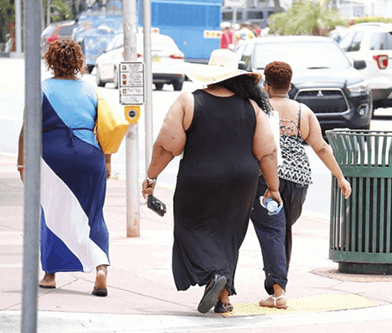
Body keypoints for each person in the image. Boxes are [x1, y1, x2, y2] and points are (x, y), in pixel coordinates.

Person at [141, 49, 282, 314]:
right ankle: (223, 295)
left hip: (199, 178)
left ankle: (212, 275)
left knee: (189, 227)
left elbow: (166, 146)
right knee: (228, 233)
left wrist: (151, 176)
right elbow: (268, 151)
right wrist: (273, 188)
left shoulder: (190, 102)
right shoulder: (252, 107)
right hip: (242, 181)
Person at [251, 61, 352, 309]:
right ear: (289, 84)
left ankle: (278, 291)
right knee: (282, 230)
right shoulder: (302, 112)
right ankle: (278, 287)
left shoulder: (257, 109)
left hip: (267, 178)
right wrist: (340, 176)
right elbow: (321, 147)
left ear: (267, 84)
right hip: (298, 182)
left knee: (273, 231)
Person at [17, 39, 111, 296]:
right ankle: (101, 268)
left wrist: (22, 163)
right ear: (79, 62)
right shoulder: (92, 91)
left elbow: (27, 129)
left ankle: (49, 275)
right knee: (94, 214)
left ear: (50, 61)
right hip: (90, 155)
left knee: (53, 213)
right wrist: (107, 162)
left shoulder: (41, 88)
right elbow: (104, 129)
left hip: (53, 157)